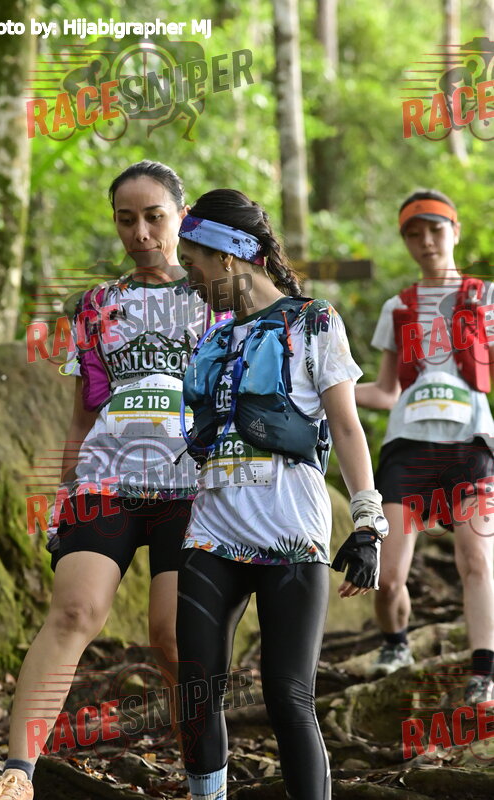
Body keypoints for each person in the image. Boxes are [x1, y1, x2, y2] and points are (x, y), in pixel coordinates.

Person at [0, 161, 214, 800]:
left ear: (182, 218)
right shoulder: (96, 305)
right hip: (105, 478)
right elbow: (84, 413)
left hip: (191, 487)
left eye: (154, 217)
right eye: (126, 219)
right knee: (75, 611)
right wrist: (63, 491)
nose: (140, 232)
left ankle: (205, 780)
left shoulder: (214, 298)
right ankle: (19, 771)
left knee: (172, 637)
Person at [175, 189, 388, 800]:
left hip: (290, 532)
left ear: (226, 256)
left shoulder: (313, 320)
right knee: (196, 692)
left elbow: (346, 426)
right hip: (212, 531)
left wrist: (368, 523)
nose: (190, 279)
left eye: (193, 263)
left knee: (288, 695)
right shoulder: (213, 339)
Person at [355, 189, 494, 704]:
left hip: (470, 445)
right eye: (414, 234)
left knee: (476, 559)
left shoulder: (486, 297)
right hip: (408, 448)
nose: (426, 241)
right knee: (388, 576)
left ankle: (483, 674)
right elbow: (386, 391)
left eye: (435, 229)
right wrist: (326, 391)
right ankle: (395, 644)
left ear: (454, 231)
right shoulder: (399, 307)